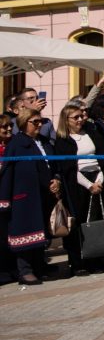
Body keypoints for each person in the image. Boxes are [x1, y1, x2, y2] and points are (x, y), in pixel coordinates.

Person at [0, 109, 61, 284]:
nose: (39, 125)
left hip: (43, 194)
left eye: (40, 121)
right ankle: (24, 271)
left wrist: (56, 179)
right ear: (24, 123)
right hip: (24, 197)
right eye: (35, 122)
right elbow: (7, 172)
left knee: (41, 234)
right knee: (25, 234)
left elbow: (53, 164)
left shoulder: (43, 142)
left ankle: (39, 267)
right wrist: (4, 200)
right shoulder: (17, 144)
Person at [53, 101, 104, 275]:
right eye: (75, 117)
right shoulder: (63, 140)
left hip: (97, 178)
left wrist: (99, 180)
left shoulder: (90, 133)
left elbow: (101, 157)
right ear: (66, 119)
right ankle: (78, 262)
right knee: (79, 221)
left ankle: (96, 258)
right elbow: (69, 167)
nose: (80, 120)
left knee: (95, 220)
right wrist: (89, 184)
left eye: (81, 116)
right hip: (77, 183)